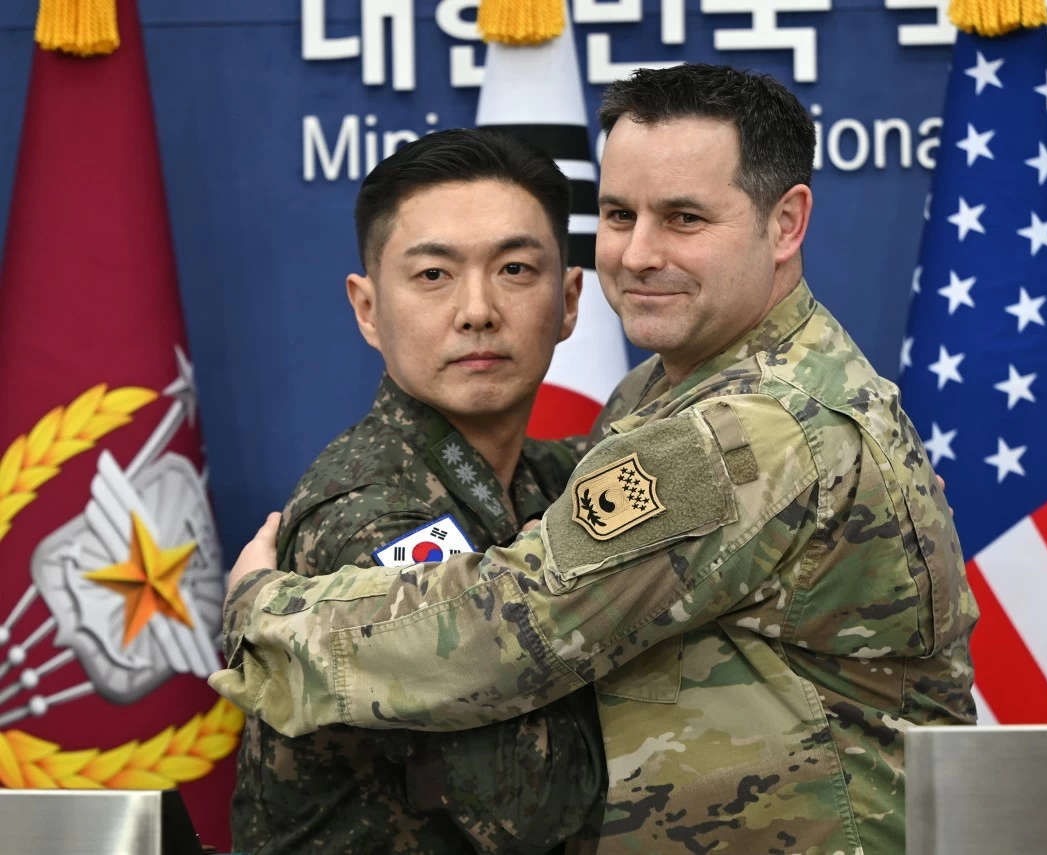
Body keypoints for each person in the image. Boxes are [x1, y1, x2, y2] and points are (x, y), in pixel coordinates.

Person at [214, 64, 978, 854]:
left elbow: (515, 619)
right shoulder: (669, 391)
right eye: (618, 214)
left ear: (785, 223)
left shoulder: (747, 428)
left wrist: (266, 612)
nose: (639, 253)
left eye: (683, 218)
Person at [228, 128, 606, 855]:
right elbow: (531, 801)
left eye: (515, 269)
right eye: (434, 274)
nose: (477, 310)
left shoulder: (549, 478)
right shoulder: (371, 512)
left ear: (568, 301)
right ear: (368, 308)